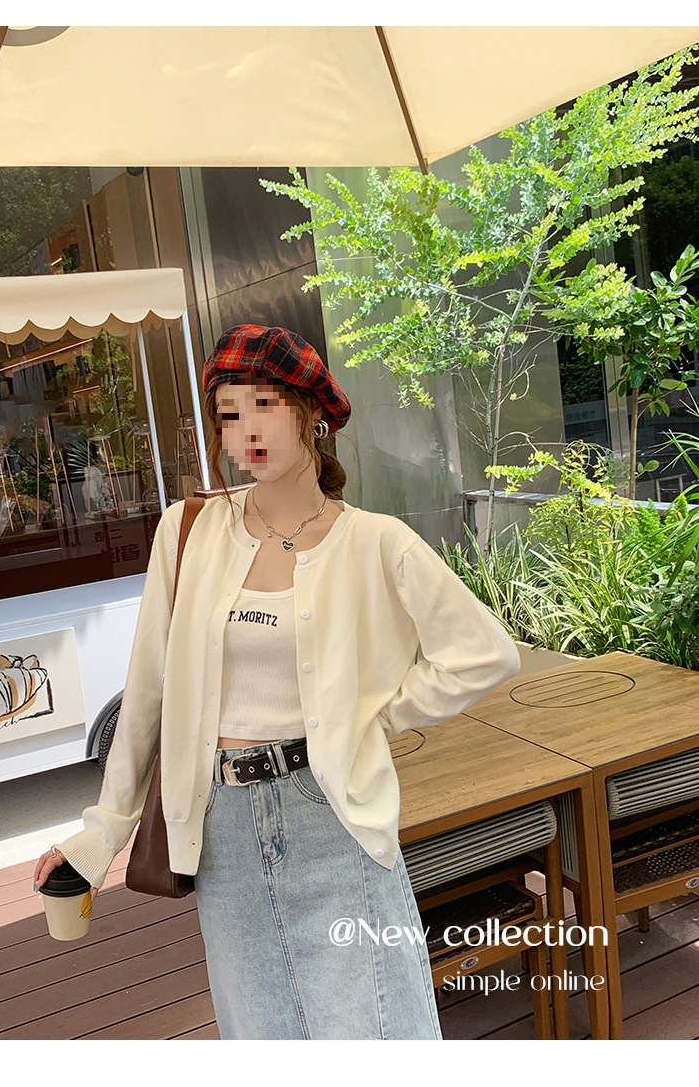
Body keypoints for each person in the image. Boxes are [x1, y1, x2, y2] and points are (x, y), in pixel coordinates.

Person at [33, 323, 521, 1040]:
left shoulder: (376, 541)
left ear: (311, 413)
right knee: (261, 1034)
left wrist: (375, 715)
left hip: (329, 812)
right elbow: (149, 693)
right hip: (220, 828)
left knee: (375, 1033)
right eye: (229, 414)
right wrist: (101, 833)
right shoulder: (189, 530)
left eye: (264, 405)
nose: (246, 430)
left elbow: (485, 654)